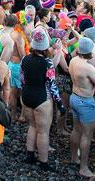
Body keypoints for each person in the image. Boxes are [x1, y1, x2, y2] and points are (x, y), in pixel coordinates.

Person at [21, 26, 61, 169]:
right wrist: (60, 104)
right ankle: (43, 162)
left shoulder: (25, 59)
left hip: (26, 95)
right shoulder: (47, 63)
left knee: (32, 126)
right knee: (43, 132)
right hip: (41, 98)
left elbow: (22, 79)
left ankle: (29, 155)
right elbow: (52, 85)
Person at [69, 36, 95, 179]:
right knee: (87, 135)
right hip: (85, 101)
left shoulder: (73, 61)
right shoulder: (88, 67)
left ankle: (73, 158)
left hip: (74, 97)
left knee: (76, 129)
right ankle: (83, 167)